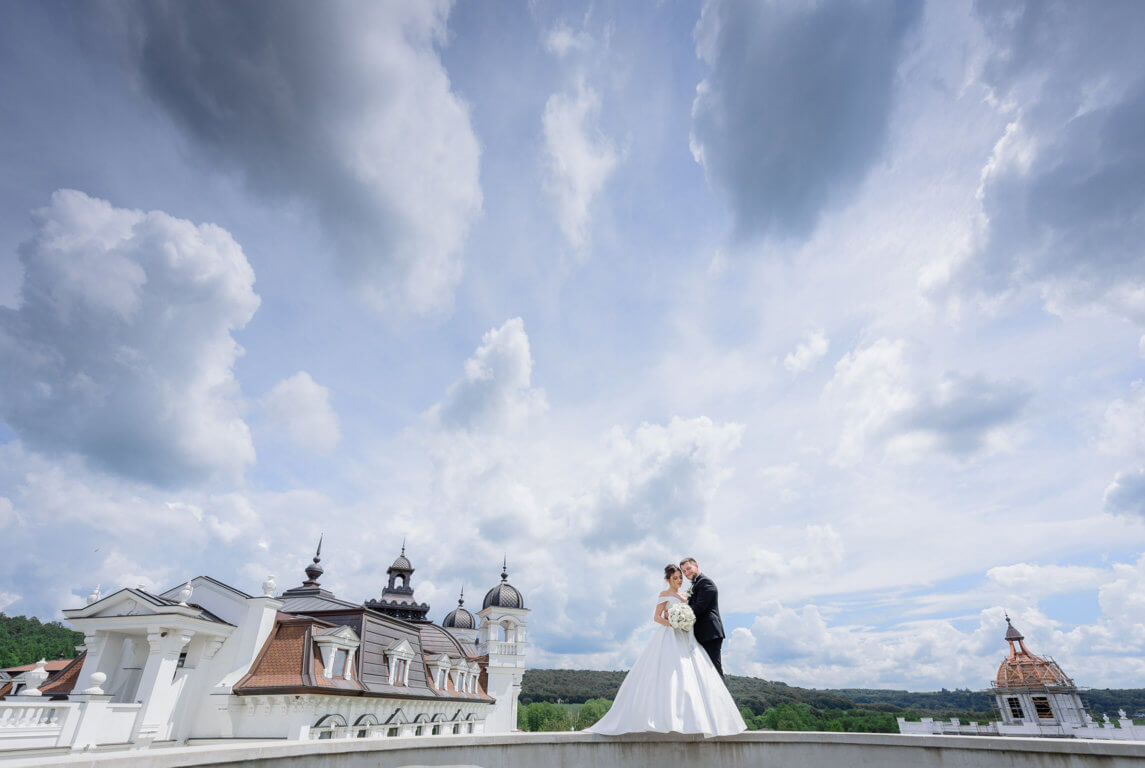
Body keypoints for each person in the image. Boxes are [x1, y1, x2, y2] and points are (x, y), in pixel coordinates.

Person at [587, 564, 744, 736]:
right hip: (669, 635)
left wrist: (684, 622)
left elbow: (693, 612)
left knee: (692, 675)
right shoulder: (664, 595)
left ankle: (693, 721)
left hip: (687, 637)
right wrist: (673, 623)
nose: (678, 581)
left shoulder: (686, 595)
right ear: (668, 579)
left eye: (680, 578)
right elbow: (656, 617)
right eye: (675, 578)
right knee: (669, 673)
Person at [680, 557, 724, 677]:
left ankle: (721, 696)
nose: (687, 573)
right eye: (684, 571)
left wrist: (680, 615)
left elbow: (699, 608)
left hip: (709, 633)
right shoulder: (696, 585)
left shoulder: (705, 582)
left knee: (714, 670)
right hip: (700, 633)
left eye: (689, 568)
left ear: (697, 566)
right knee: (705, 672)